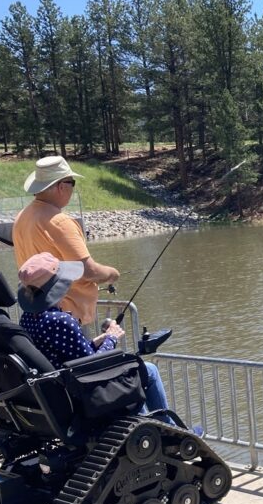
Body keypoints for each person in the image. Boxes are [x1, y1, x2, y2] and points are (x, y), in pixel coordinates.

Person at [16, 252, 170, 416]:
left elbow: (71, 355)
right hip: (82, 394)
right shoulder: (60, 321)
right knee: (150, 370)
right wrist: (111, 337)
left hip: (57, 390)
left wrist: (98, 341)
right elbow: (94, 368)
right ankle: (169, 429)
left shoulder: (28, 319)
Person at [13, 155, 119, 326]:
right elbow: (88, 271)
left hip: (36, 313)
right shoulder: (60, 222)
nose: (72, 189)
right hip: (66, 317)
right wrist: (112, 274)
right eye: (72, 183)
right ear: (62, 186)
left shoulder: (22, 216)